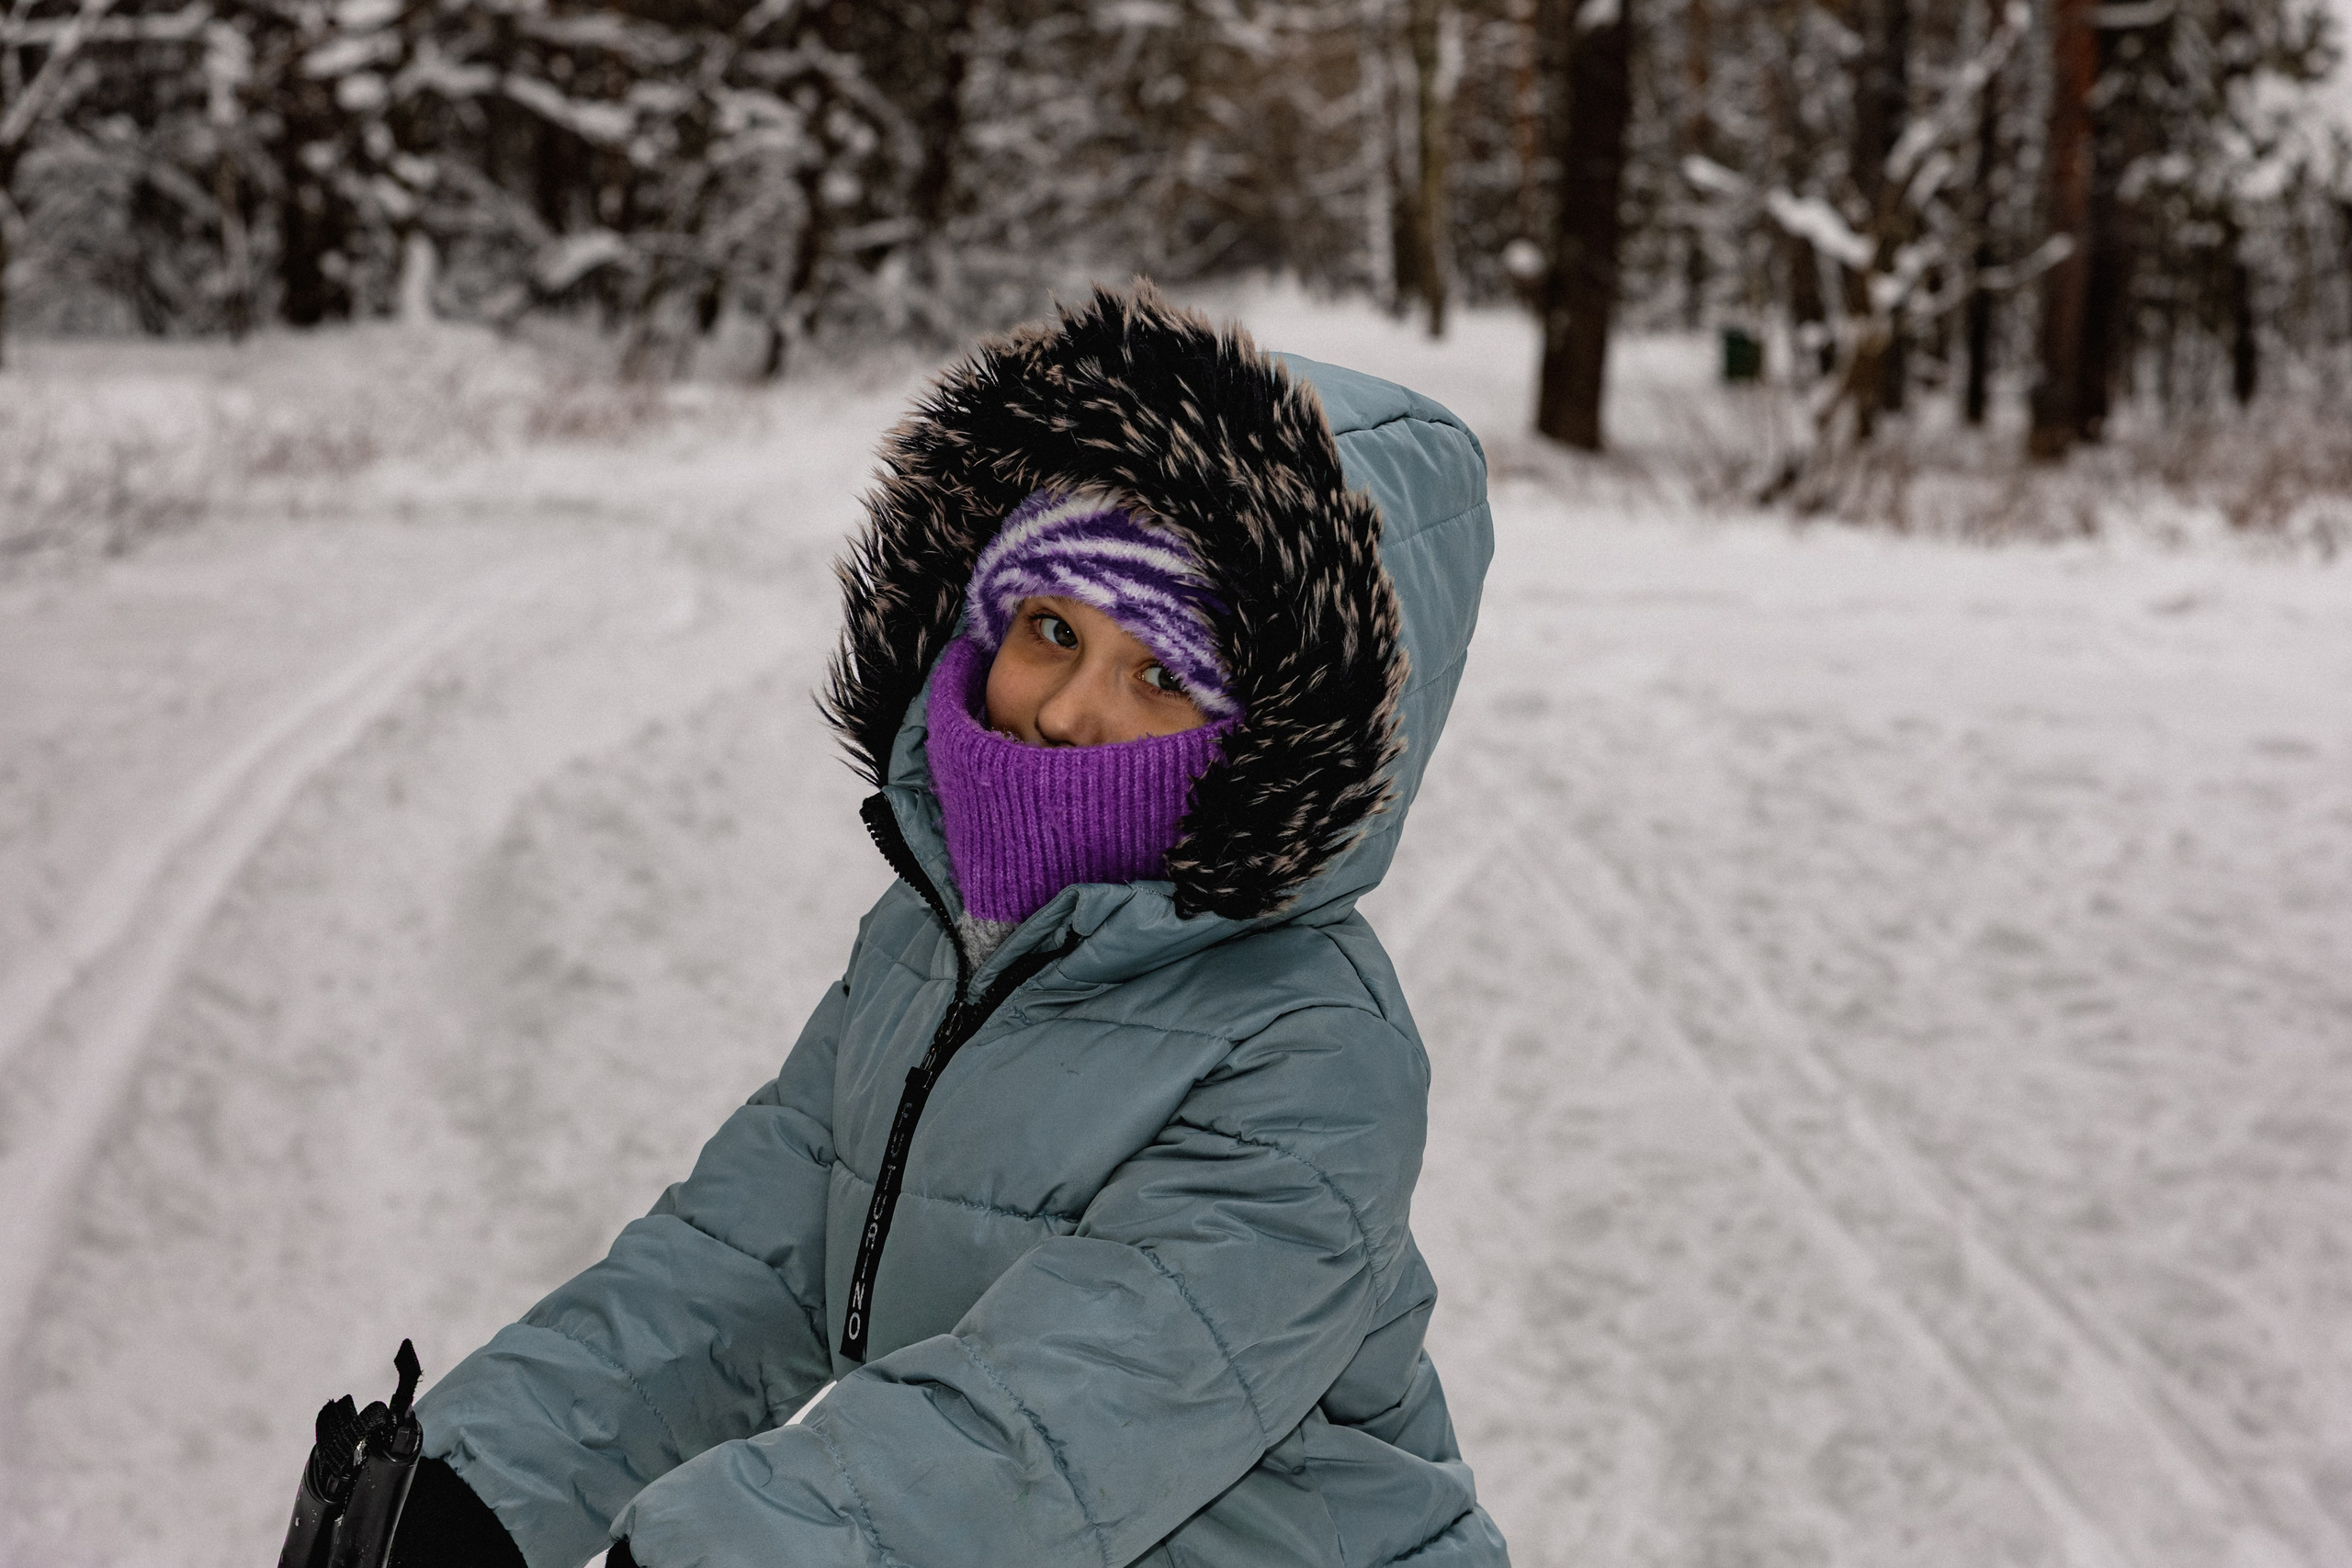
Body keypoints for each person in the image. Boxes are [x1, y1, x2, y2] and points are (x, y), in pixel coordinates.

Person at [372, 281, 1504, 1568]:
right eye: (1052, 630)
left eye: (1162, 673)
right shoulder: (935, 945)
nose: (1072, 711)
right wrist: (474, 1486)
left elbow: (1041, 1436)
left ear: (1276, 733)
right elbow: (746, 1263)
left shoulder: (1307, 1055)